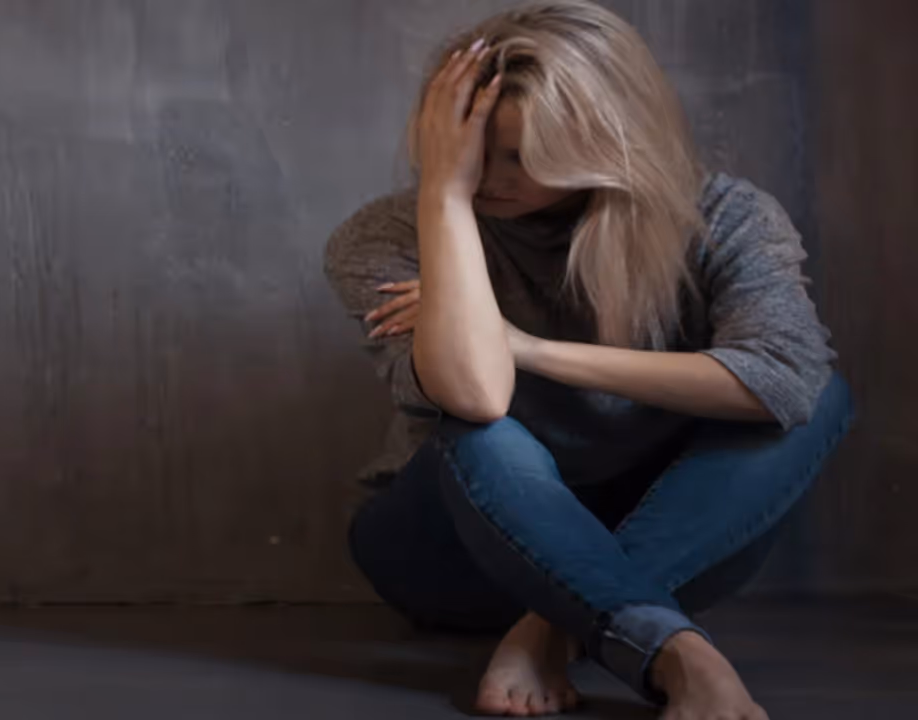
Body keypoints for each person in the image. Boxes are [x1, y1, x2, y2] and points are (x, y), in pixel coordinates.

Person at [322, 1, 853, 718]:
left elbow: (784, 380)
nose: (489, 177)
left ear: (604, 139)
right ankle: (676, 654)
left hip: (665, 534)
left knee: (821, 396)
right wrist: (443, 197)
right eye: (472, 150)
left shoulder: (724, 218)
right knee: (480, 431)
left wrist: (530, 347)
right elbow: (476, 395)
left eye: (519, 155)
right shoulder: (386, 235)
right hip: (453, 547)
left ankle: (557, 622)